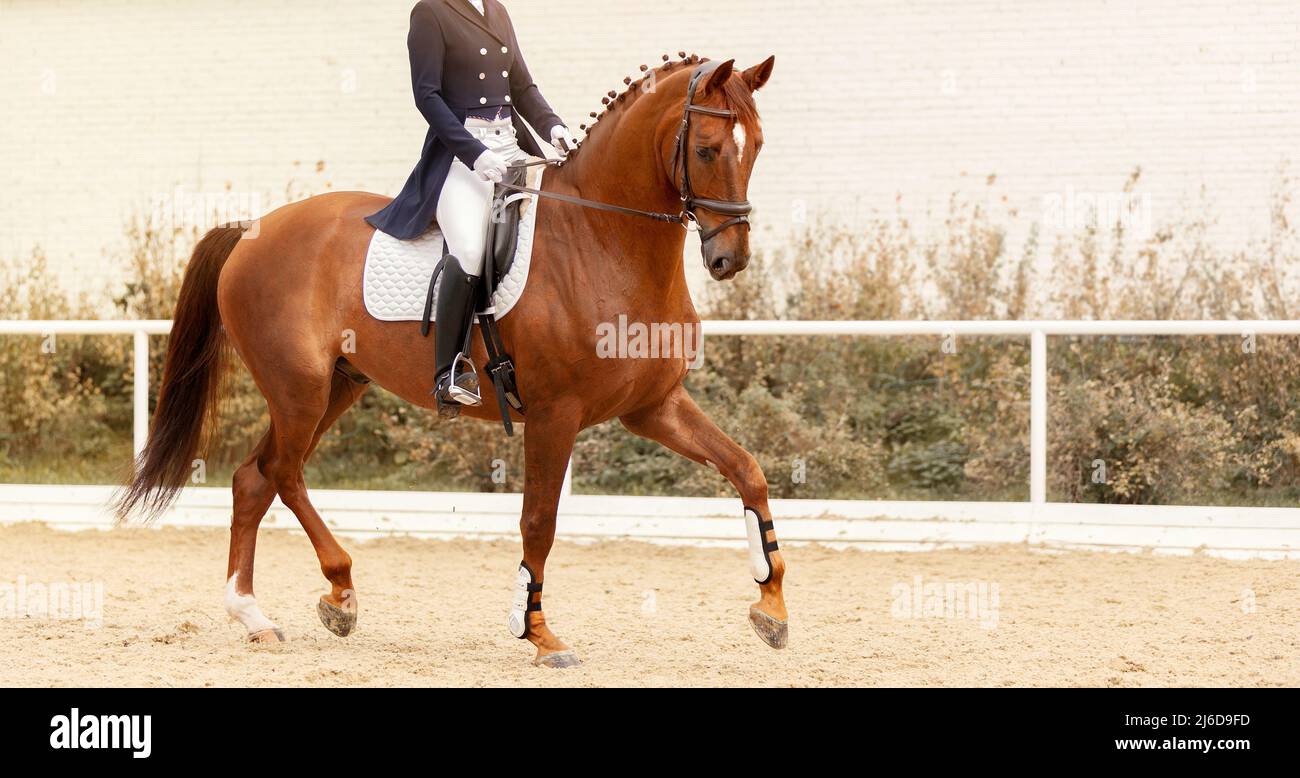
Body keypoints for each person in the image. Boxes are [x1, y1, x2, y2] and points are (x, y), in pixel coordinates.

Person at [367, 0, 577, 412]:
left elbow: (523, 88)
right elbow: (426, 97)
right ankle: (450, 371)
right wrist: (474, 153)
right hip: (460, 156)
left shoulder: (496, 11)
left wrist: (554, 127)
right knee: (469, 248)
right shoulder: (430, 12)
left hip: (512, 148)